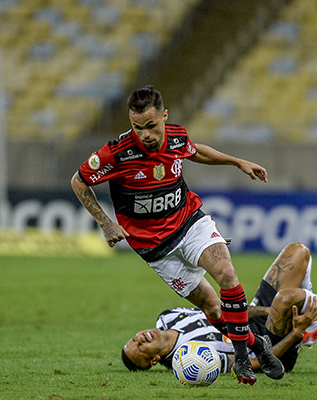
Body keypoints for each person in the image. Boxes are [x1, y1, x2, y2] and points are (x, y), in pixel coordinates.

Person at [71, 85, 282, 385]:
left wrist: (237, 162)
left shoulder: (177, 137)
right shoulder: (116, 153)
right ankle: (257, 344)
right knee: (212, 306)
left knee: (227, 275)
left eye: (151, 126)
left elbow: (196, 151)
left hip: (189, 223)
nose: (145, 134)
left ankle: (243, 363)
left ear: (165, 117)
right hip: (157, 250)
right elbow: (78, 181)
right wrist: (105, 222)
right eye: (137, 127)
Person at [121, 242, 317, 377]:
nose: (139, 338)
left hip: (253, 318)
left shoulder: (168, 316)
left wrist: (266, 311)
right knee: (287, 299)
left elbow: (224, 312)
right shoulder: (191, 359)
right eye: (140, 349)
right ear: (154, 360)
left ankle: (314, 327)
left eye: (133, 339)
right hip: (269, 347)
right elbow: (255, 364)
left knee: (298, 252)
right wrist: (294, 333)